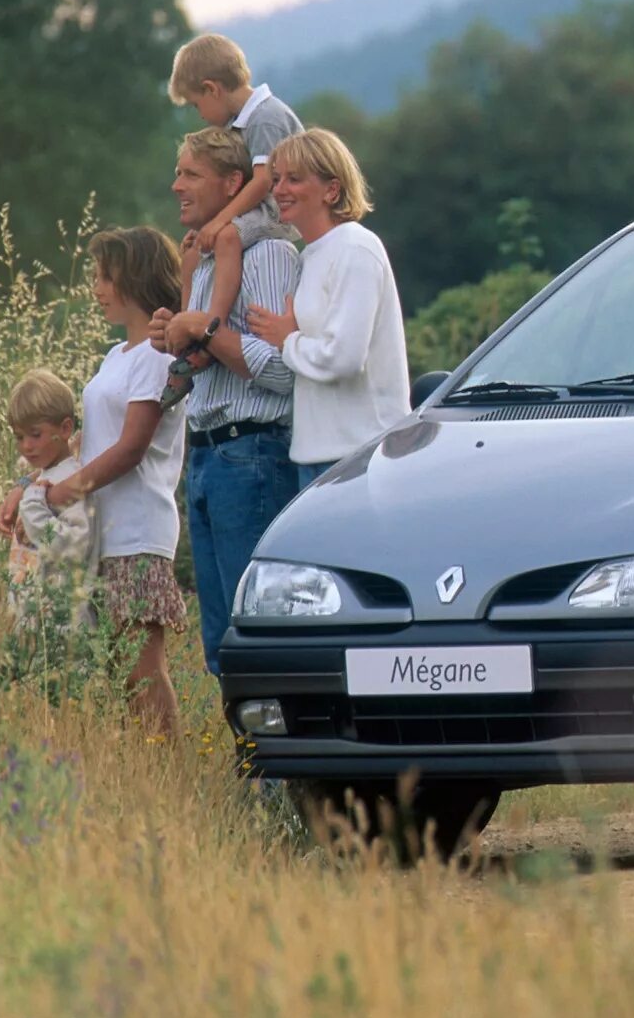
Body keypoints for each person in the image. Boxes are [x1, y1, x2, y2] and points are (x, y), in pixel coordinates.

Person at [149, 128, 298, 676]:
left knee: (256, 626)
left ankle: (277, 760)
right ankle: (248, 758)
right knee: (220, 638)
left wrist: (205, 329)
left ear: (234, 183)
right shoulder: (206, 261)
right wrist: (175, 332)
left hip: (252, 452)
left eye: (190, 174)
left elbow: (284, 369)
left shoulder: (269, 254)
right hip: (209, 456)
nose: (176, 186)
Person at [34, 228, 189, 736]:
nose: (97, 287)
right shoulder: (115, 357)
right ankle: (144, 771)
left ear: (134, 278)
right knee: (120, 670)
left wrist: (64, 493)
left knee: (143, 670)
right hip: (107, 532)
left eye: (105, 276)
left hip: (138, 531)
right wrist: (34, 487)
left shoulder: (156, 356)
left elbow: (130, 447)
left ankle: (166, 772)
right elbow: (97, 441)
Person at [249, 129, 410, 487]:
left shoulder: (356, 248)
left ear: (332, 190)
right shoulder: (309, 256)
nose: (279, 189)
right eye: (276, 179)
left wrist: (287, 340)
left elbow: (345, 357)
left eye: (294, 179)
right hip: (315, 457)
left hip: (360, 457)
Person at [163, 33, 304, 407]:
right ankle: (189, 333)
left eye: (197, 104)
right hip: (257, 210)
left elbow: (262, 182)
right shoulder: (241, 122)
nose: (200, 114)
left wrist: (220, 220)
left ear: (212, 89)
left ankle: (212, 328)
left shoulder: (266, 117)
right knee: (193, 250)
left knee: (223, 239)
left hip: (274, 212)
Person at [0, 369, 98, 629]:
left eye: (35, 434)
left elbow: (75, 546)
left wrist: (32, 503)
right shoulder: (42, 479)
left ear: (66, 428)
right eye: (19, 437)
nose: (26, 446)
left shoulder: (69, 480)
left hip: (63, 627)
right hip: (32, 622)